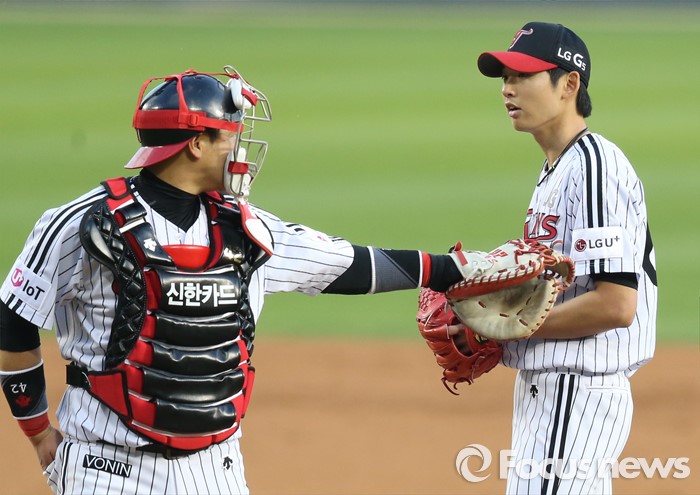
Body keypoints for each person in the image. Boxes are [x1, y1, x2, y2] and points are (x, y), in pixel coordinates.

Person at [0, 65, 494, 495]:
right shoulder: (83, 223)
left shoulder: (248, 229)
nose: (239, 147)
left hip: (215, 470)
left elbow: (349, 265)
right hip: (106, 469)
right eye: (228, 134)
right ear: (196, 144)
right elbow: (15, 319)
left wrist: (459, 269)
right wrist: (38, 431)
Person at [476, 22, 657, 494]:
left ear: (569, 84)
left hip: (577, 391)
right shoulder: (556, 170)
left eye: (523, 75)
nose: (508, 89)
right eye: (505, 78)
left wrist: (505, 326)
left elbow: (616, 304)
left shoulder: (595, 165)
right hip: (554, 392)